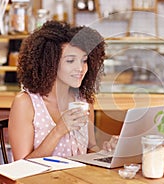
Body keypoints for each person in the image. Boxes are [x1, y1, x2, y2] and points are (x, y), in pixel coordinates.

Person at [8, 20, 117, 160]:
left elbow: (90, 148)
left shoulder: (84, 101)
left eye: (84, 60)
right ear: (50, 63)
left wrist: (107, 151)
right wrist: (59, 130)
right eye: (70, 60)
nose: (80, 68)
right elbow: (21, 167)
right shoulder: (25, 103)